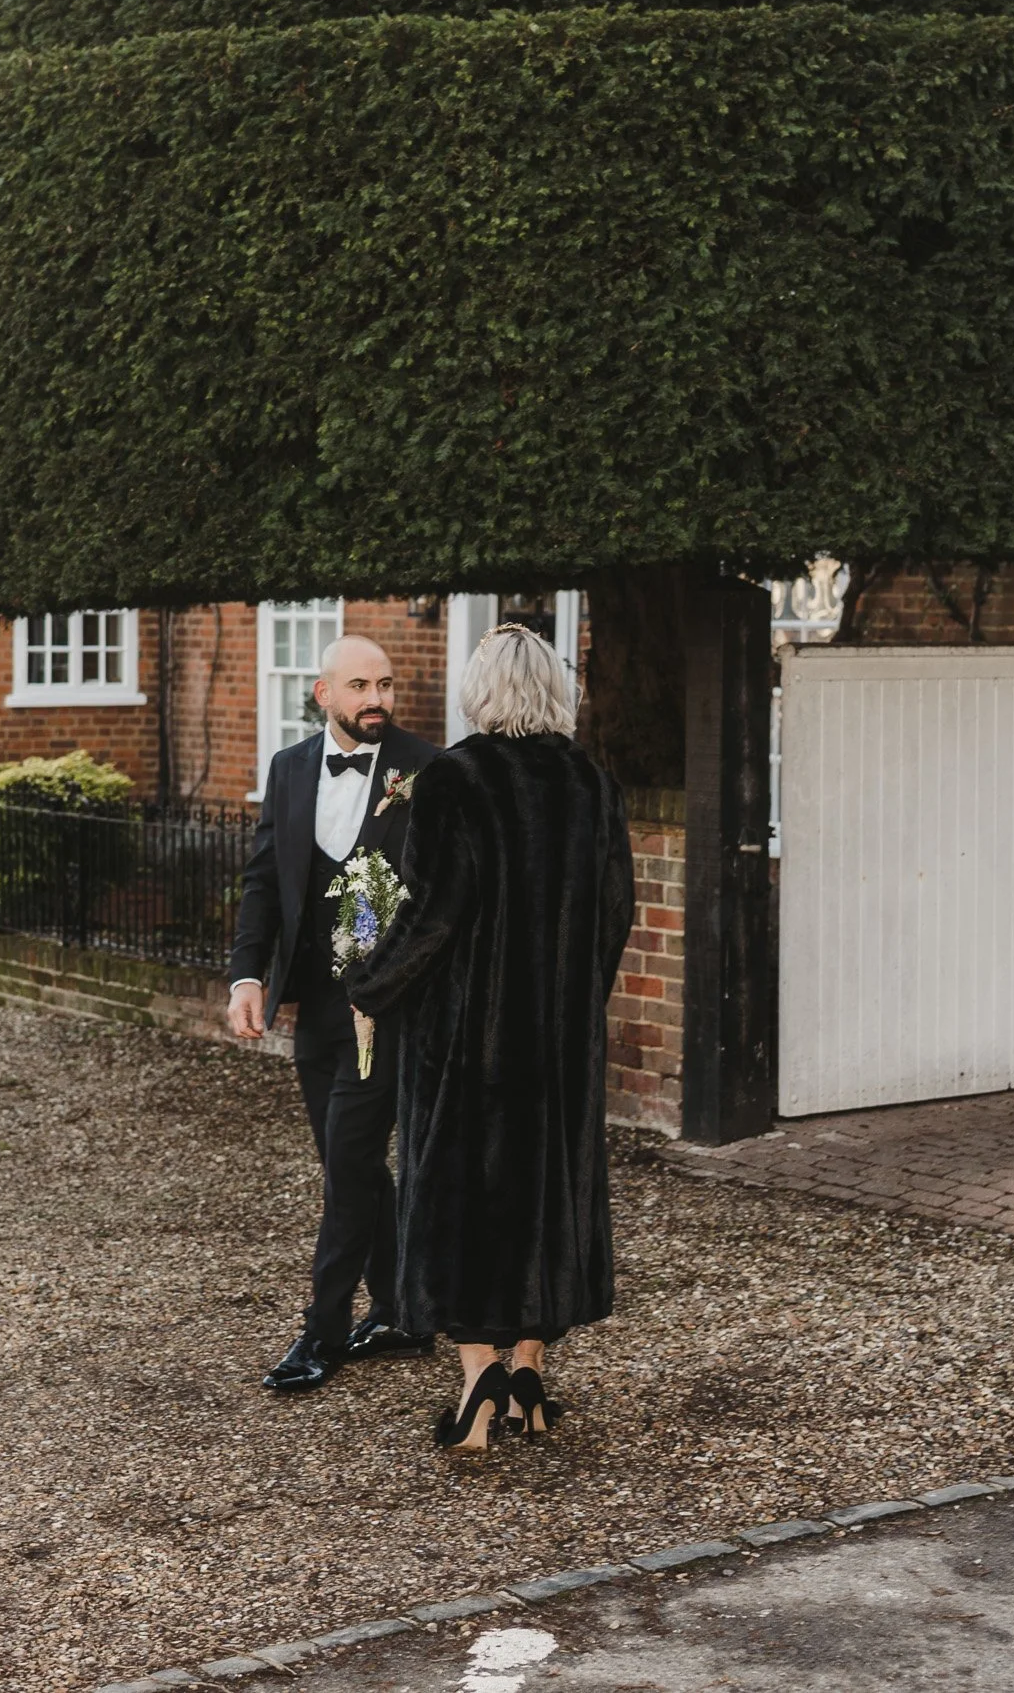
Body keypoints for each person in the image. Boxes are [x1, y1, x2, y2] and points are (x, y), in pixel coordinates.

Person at [345, 622, 635, 1451]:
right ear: (555, 690)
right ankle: (532, 1372)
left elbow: (432, 915)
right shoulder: (592, 785)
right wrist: (574, 999)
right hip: (559, 1044)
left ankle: (479, 1384)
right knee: (550, 1194)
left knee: (464, 1197)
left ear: (481, 691)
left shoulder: (454, 780)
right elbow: (616, 916)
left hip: (468, 1044)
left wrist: (370, 986)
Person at [228, 634, 440, 1392]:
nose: (376, 698)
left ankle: (321, 1335)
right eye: (359, 686)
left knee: (348, 1165)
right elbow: (261, 885)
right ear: (323, 695)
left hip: (389, 1008)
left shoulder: (426, 769)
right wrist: (246, 978)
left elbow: (444, 895)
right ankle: (397, 1311)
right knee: (346, 1162)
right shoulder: (287, 771)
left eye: (384, 683)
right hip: (313, 1007)